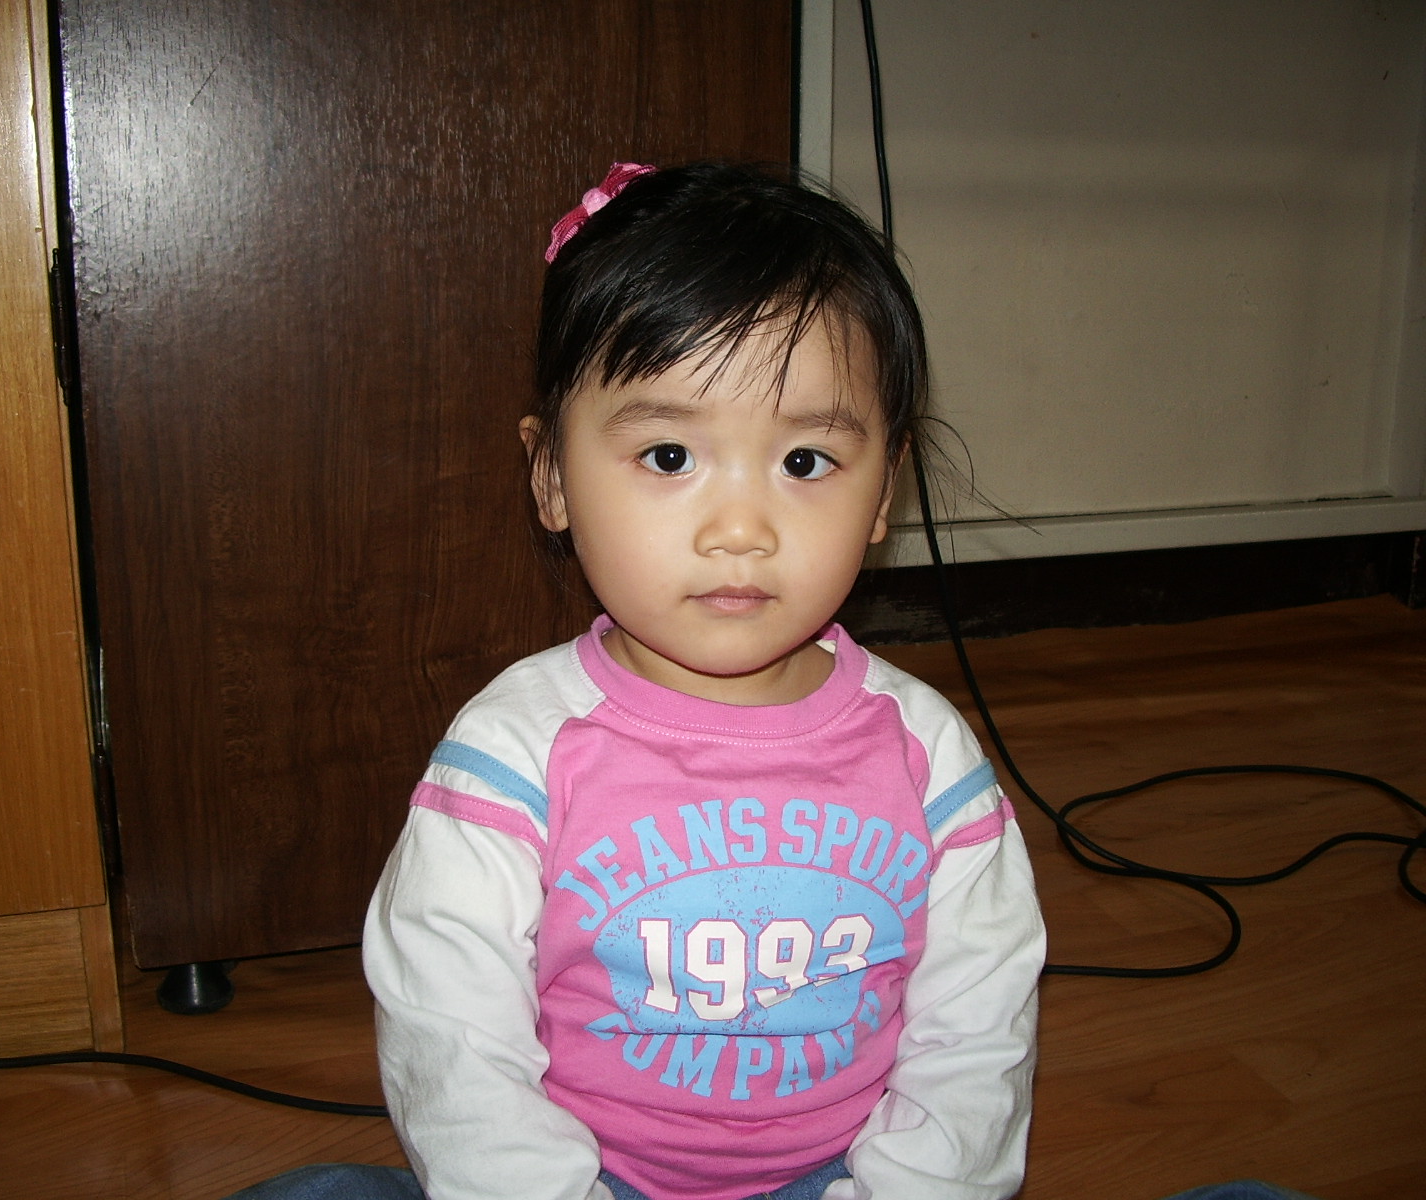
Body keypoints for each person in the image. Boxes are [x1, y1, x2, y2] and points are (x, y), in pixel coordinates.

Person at [223, 164, 1309, 1200]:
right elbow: (453, 1043)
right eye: (668, 457)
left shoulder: (926, 757)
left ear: (883, 493)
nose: (739, 528)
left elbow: (974, 1037)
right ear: (551, 475)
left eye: (804, 462)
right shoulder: (510, 753)